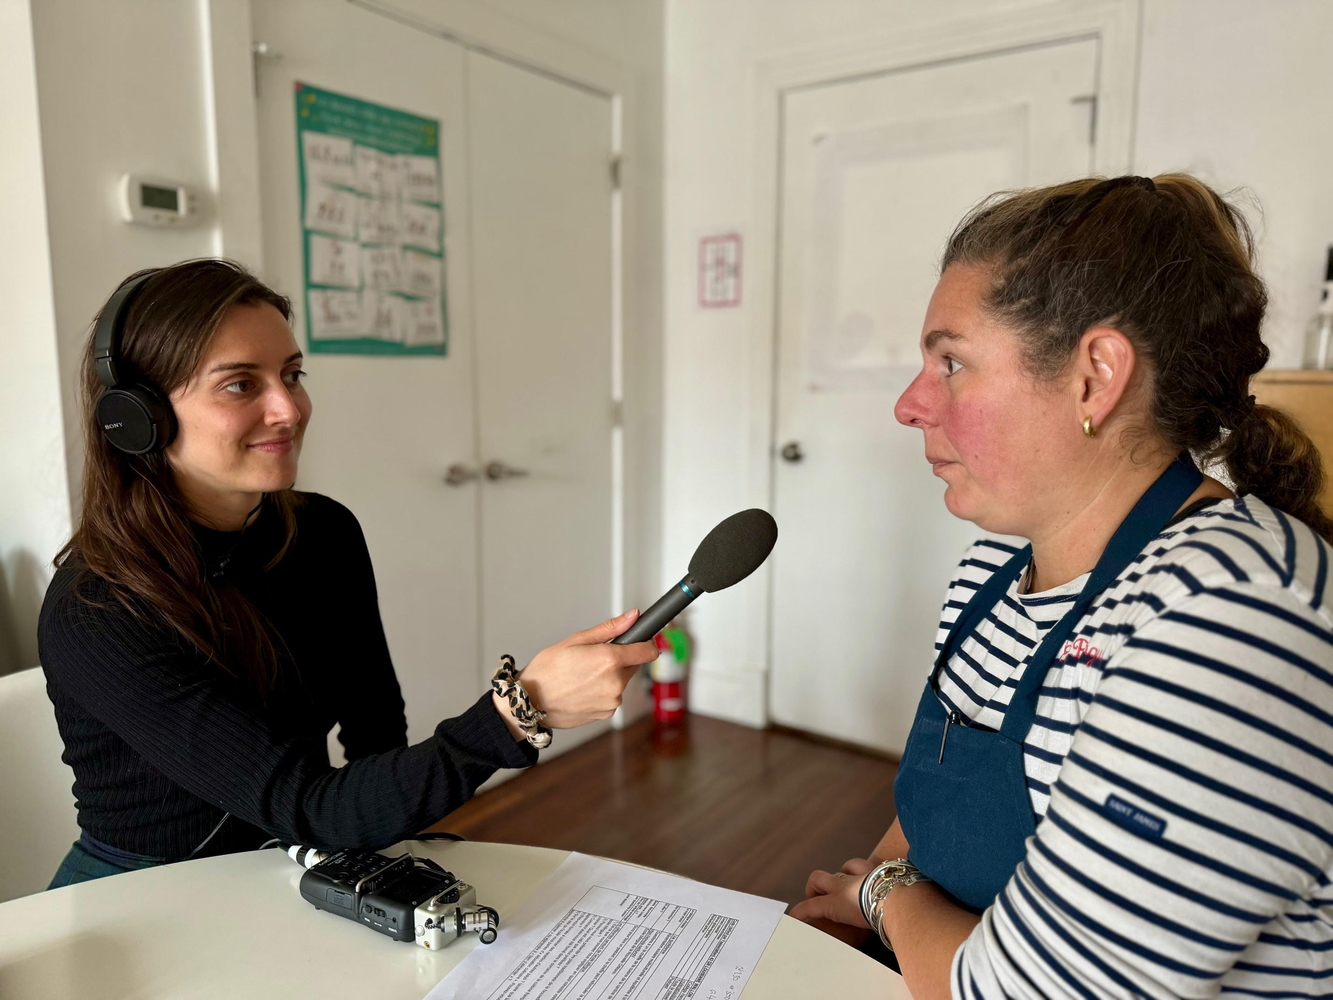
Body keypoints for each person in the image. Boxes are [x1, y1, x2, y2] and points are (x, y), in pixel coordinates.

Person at [790, 175, 1333, 999]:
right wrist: (865, 901)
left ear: (1094, 377)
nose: (909, 404)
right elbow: (935, 807)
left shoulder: (1230, 618)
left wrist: (883, 896)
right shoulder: (994, 569)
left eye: (951, 361)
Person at [39, 259, 658, 887]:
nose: (289, 409)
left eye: (292, 374)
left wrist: (394, 847)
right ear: (137, 417)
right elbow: (310, 804)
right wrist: (521, 709)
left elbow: (375, 728)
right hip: (140, 892)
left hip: (292, 858)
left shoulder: (324, 533)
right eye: (240, 385)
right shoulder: (96, 608)